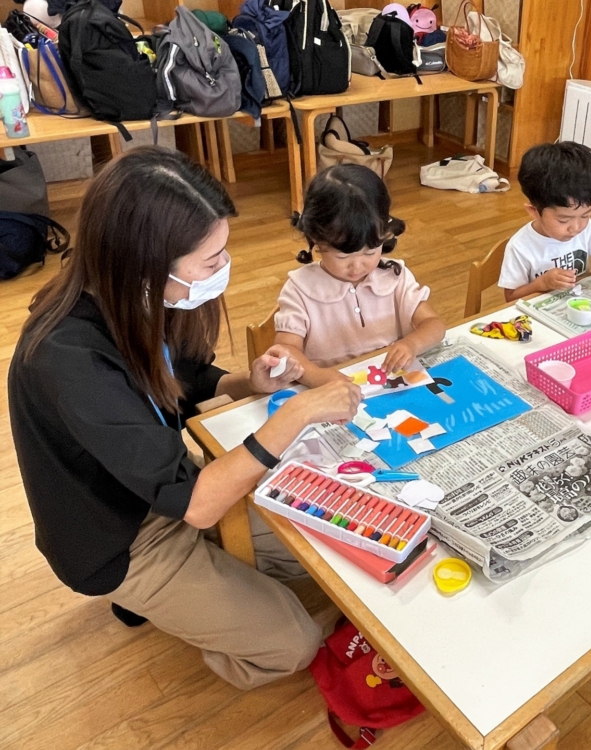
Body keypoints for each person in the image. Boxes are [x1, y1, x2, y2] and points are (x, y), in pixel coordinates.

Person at [8, 148, 362, 690]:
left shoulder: (136, 297)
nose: (224, 268)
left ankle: (192, 588)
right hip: (123, 538)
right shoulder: (70, 358)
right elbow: (197, 505)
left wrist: (247, 383)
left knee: (315, 543)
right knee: (294, 643)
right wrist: (296, 413)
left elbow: (186, 375)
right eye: (211, 260)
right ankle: (155, 595)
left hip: (166, 488)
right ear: (145, 263)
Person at [274, 165, 445, 385]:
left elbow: (434, 324)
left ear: (385, 233)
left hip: (388, 385)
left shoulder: (394, 277)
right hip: (329, 391)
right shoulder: (300, 289)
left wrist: (412, 344)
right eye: (343, 256)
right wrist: (320, 377)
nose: (357, 266)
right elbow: (286, 350)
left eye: (370, 252)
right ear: (316, 239)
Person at [498, 141, 591, 309]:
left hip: (577, 306)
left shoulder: (587, 230)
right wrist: (542, 283)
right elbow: (511, 297)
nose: (576, 227)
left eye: (585, 215)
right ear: (534, 211)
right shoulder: (520, 246)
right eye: (563, 220)